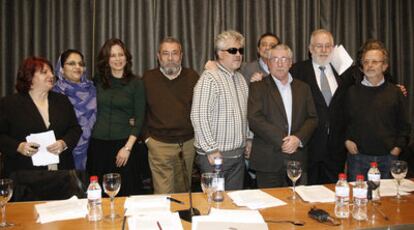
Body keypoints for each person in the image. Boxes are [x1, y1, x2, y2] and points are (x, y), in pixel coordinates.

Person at [248, 44, 318, 188]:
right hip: (268, 161)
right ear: (268, 63)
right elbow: (255, 118)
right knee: (270, 207)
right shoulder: (257, 87)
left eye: (284, 59)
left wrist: (298, 139)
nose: (280, 63)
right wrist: (284, 140)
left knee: (298, 206)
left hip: (297, 160)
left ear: (291, 62)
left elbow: (312, 118)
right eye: (275, 59)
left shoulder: (303, 88)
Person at [290, 29, 353, 185]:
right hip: (308, 148)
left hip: (336, 149)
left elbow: (365, 87)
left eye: (328, 46)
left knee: (333, 196)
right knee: (307, 198)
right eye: (319, 46)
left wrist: (394, 86)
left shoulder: (345, 72)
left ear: (333, 49)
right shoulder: (297, 71)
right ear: (310, 49)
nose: (324, 50)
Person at [0, 57, 82, 177]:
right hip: (24, 174)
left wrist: (63, 143)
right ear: (30, 77)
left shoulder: (62, 100)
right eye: (44, 72)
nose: (51, 75)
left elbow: (75, 129)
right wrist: (19, 147)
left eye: (51, 72)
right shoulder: (9, 104)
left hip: (61, 171)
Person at [191, 30, 252, 190]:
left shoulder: (240, 79)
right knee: (215, 206)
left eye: (241, 50)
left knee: (233, 205)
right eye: (232, 50)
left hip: (237, 157)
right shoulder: (209, 78)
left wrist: (248, 138)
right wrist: (211, 149)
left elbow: (246, 114)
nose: (238, 54)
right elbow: (198, 116)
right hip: (215, 158)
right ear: (220, 53)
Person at [87, 38, 145, 196]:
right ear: (106, 59)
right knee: (99, 194)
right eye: (113, 55)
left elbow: (140, 118)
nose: (118, 59)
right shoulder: (97, 80)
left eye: (121, 54)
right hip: (98, 145)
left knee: (127, 193)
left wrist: (127, 148)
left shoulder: (136, 83)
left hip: (124, 145)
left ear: (127, 57)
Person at [345, 44, 411, 181]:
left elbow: (404, 125)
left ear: (385, 66)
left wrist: (398, 147)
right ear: (362, 66)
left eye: (375, 62)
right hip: (358, 158)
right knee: (358, 198)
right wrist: (346, 140)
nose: (370, 65)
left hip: (388, 158)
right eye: (366, 62)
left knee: (388, 200)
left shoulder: (396, 93)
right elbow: (341, 121)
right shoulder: (351, 92)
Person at [142, 37, 199, 194]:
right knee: (163, 195)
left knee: (183, 192)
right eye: (165, 53)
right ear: (158, 56)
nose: (170, 58)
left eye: (174, 53)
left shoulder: (193, 77)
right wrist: (147, 139)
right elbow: (140, 112)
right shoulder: (148, 78)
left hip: (187, 145)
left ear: (181, 55)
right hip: (159, 144)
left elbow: (200, 110)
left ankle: (181, 219)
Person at [53, 49, 97, 170]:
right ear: (61, 68)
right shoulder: (54, 93)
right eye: (71, 63)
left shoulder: (92, 89)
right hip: (63, 151)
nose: (77, 67)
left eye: (81, 64)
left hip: (92, 150)